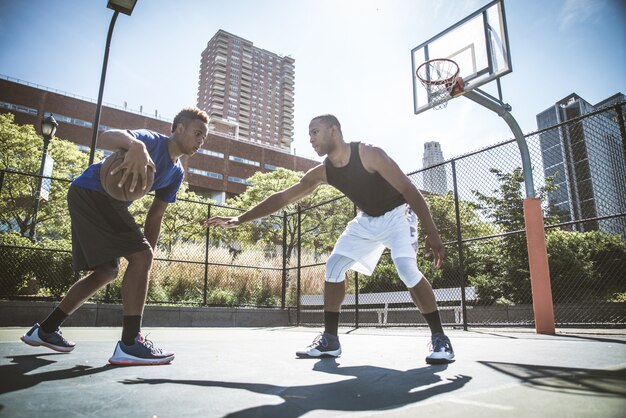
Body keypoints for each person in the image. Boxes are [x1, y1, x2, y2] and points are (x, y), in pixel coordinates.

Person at [207, 114, 454, 364]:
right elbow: (284, 197)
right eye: (309, 134)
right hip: (367, 220)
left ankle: (440, 339)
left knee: (405, 268)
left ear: (334, 130)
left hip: (399, 215)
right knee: (334, 266)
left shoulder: (369, 154)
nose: (311, 139)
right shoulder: (323, 172)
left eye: (315, 132)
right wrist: (241, 218)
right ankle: (330, 340)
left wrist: (432, 233)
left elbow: (409, 189)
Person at [21, 107, 209, 365]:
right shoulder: (151, 141)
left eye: (204, 137)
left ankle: (45, 330)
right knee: (137, 259)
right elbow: (106, 136)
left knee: (107, 272)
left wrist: (147, 258)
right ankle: (131, 343)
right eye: (197, 133)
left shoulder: (176, 173)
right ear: (179, 129)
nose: (201, 141)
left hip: (98, 201)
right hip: (92, 192)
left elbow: (155, 216)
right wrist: (136, 146)